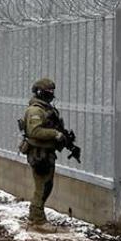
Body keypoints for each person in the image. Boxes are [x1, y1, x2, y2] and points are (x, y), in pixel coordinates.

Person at [19, 78, 81, 231]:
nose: (51, 94)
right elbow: (35, 131)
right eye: (49, 91)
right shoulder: (35, 110)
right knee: (42, 186)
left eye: (53, 91)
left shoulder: (47, 109)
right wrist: (55, 134)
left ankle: (35, 217)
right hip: (39, 153)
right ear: (40, 92)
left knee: (46, 185)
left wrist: (67, 142)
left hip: (47, 153)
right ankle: (37, 221)